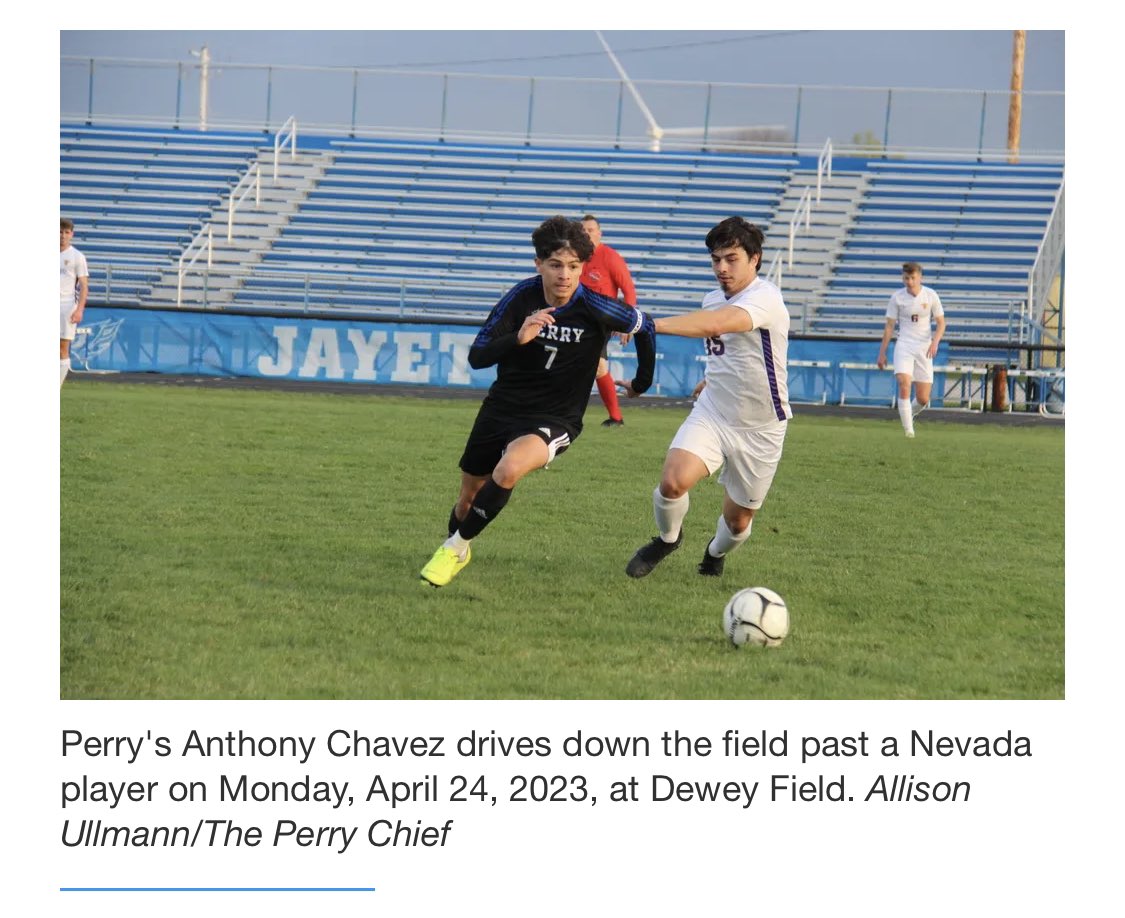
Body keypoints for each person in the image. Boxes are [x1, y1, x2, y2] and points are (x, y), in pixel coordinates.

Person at [420, 215, 657, 588]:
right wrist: (518, 336)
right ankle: (458, 543)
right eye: (555, 265)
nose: (565, 274)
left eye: (574, 266)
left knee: (509, 469)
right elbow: (477, 356)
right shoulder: (520, 298)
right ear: (539, 264)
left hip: (556, 417)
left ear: (584, 266)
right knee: (468, 498)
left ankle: (454, 549)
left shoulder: (598, 307)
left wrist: (642, 382)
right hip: (502, 408)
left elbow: (645, 325)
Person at [624, 216, 791, 579]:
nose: (722, 268)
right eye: (716, 260)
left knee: (738, 521)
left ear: (755, 259)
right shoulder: (713, 297)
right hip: (714, 411)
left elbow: (717, 325)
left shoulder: (766, 297)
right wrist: (708, 379)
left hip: (761, 426)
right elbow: (728, 349)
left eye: (731, 258)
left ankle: (715, 553)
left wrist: (646, 324)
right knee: (672, 481)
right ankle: (667, 539)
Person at [876, 262, 946, 437]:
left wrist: (935, 342)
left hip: (924, 347)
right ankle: (909, 431)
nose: (909, 281)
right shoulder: (897, 298)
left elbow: (941, 323)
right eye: (906, 278)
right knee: (904, 383)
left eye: (912, 278)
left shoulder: (930, 296)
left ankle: (909, 415)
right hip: (904, 345)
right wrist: (882, 352)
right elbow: (889, 327)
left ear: (920, 277)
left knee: (923, 399)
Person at [580, 214, 638, 427]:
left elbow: (629, 290)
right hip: (577, 319)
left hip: (600, 321)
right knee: (596, 368)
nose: (586, 234)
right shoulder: (575, 257)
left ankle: (616, 417)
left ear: (599, 233)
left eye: (590, 230)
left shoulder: (609, 257)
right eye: (583, 230)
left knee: (597, 366)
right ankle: (615, 417)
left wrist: (628, 321)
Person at [60, 217, 89, 387]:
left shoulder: (77, 256)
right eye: (60, 232)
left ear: (72, 234)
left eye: (66, 232)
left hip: (65, 306)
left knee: (62, 348)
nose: (62, 236)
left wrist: (80, 310)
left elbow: (84, 286)